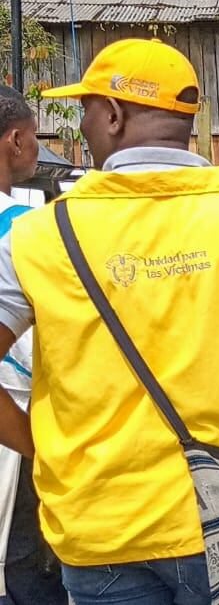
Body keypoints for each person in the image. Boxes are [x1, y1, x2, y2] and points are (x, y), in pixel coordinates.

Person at [0, 38, 219, 603]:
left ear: (112, 114)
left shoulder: (38, 237)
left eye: (86, 108)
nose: (81, 123)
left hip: (102, 527)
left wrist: (43, 447)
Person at [0, 88, 65, 605]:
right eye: (37, 137)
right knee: (25, 557)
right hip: (16, 413)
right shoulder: (27, 233)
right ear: (16, 139)